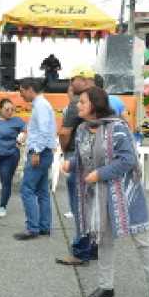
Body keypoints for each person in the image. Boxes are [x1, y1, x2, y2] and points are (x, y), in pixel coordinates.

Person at [62, 86, 149, 297]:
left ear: (95, 106)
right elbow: (83, 158)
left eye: (82, 102)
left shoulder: (117, 128)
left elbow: (127, 160)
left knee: (143, 241)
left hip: (125, 195)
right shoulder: (82, 130)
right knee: (104, 241)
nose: (77, 105)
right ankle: (106, 286)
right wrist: (72, 163)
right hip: (99, 196)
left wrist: (100, 174)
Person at [56, 66, 96, 265]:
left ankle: (81, 252)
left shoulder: (77, 104)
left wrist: (65, 151)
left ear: (86, 79)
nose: (71, 82)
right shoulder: (104, 100)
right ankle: (93, 248)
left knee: (79, 207)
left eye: (75, 78)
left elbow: (64, 133)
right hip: (95, 159)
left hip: (77, 156)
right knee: (93, 207)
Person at [14, 78, 58, 241]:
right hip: (44, 152)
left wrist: (37, 152)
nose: (21, 95)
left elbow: (45, 131)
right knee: (42, 191)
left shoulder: (40, 106)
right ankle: (44, 226)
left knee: (27, 190)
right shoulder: (42, 105)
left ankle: (32, 228)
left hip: (40, 152)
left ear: (30, 89)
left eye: (22, 91)